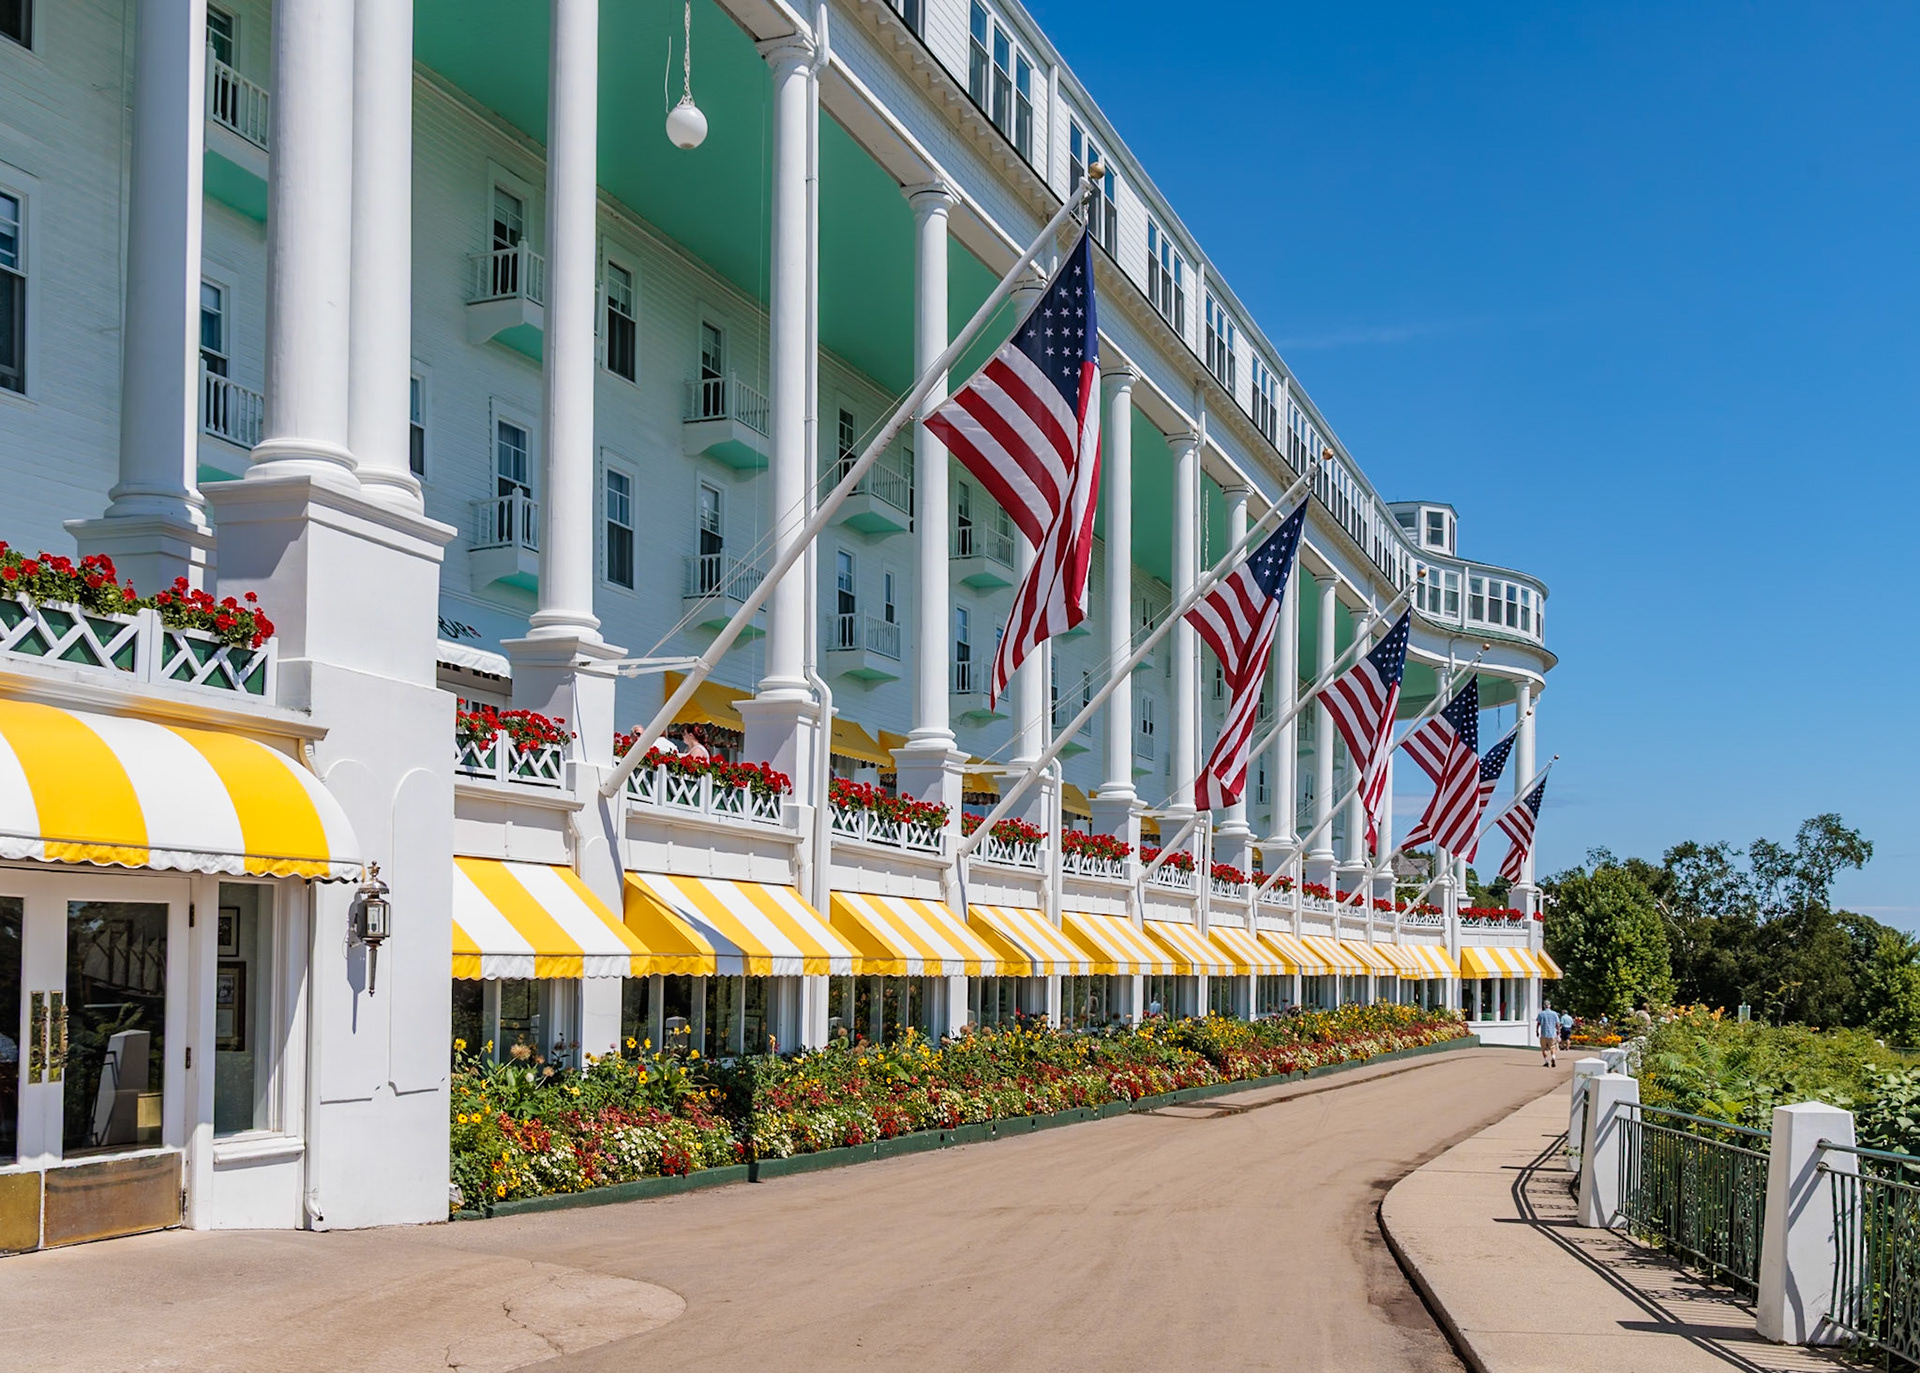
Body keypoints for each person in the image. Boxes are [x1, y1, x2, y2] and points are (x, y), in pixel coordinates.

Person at [1535, 1000, 1561, 1068]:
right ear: (1550, 1006)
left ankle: (1546, 1061)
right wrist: (1558, 1031)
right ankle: (1553, 1057)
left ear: (1544, 1006)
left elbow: (1538, 1024)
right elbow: (1557, 1024)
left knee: (1544, 1048)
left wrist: (1537, 1031)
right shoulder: (1554, 1014)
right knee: (1553, 1047)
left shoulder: (1541, 1014)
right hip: (1552, 1034)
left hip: (1543, 1034)